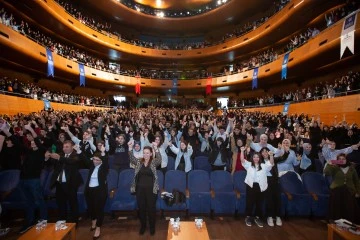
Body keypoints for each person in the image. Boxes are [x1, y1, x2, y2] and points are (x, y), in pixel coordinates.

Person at [128, 141, 161, 236]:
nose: (145, 154)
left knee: (151, 209)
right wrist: (130, 148)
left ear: (151, 154)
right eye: (144, 153)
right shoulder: (139, 161)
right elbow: (132, 158)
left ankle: (152, 227)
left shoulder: (154, 162)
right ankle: (143, 226)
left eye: (147, 153)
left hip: (152, 190)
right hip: (140, 190)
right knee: (141, 209)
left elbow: (159, 159)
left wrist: (156, 148)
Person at [45, 140, 83, 223]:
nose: (64, 148)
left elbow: (72, 161)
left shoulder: (76, 155)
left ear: (72, 147)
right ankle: (62, 220)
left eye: (67, 147)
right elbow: (51, 163)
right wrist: (47, 158)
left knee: (73, 203)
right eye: (63, 147)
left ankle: (74, 222)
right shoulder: (61, 154)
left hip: (71, 183)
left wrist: (59, 158)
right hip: (59, 183)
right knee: (61, 203)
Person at [241, 147, 273, 228]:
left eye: (257, 157)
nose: (256, 158)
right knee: (250, 202)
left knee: (259, 203)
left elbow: (271, 164)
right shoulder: (249, 165)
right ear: (252, 158)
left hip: (261, 186)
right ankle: (248, 217)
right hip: (251, 186)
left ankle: (257, 217)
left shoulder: (264, 165)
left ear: (260, 158)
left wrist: (271, 155)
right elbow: (242, 160)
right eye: (254, 157)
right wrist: (242, 151)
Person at [324, 153, 360, 224]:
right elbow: (326, 172)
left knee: (349, 208)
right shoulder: (335, 167)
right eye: (339, 159)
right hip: (337, 190)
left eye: (343, 159)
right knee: (336, 208)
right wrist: (329, 164)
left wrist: (358, 192)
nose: (341, 160)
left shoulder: (351, 168)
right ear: (337, 160)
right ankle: (336, 223)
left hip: (349, 191)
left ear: (347, 160)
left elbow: (357, 181)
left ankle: (348, 224)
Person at [84, 146, 108, 240]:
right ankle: (93, 220)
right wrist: (79, 151)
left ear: (101, 161)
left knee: (99, 209)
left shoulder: (103, 168)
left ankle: (98, 228)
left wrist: (103, 153)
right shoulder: (91, 165)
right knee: (91, 207)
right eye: (94, 159)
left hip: (100, 191)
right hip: (89, 190)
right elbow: (84, 160)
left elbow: (105, 162)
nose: (95, 161)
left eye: (97, 160)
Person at [260, 147, 282, 227]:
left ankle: (278, 216)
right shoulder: (259, 161)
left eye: (266, 151)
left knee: (277, 198)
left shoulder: (273, 159)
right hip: (265, 181)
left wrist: (286, 151)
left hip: (274, 180)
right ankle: (270, 216)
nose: (265, 153)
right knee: (269, 198)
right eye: (263, 152)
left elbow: (282, 157)